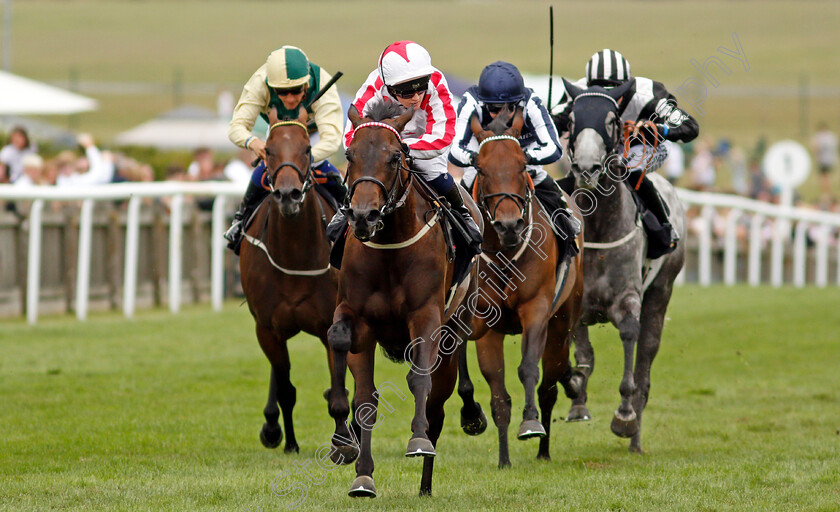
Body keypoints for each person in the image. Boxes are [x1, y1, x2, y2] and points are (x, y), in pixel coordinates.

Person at [337, 40, 481, 255]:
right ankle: (341, 216)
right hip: (380, 150)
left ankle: (463, 216)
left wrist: (400, 149)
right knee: (359, 179)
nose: (415, 97)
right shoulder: (374, 84)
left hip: (425, 147)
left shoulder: (437, 83)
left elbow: (444, 135)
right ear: (389, 87)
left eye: (420, 88)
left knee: (436, 174)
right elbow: (351, 135)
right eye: (405, 92)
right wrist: (379, 151)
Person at [553, 49, 700, 249]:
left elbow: (690, 127)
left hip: (643, 146)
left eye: (614, 91)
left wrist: (658, 129)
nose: (606, 96)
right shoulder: (578, 93)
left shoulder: (648, 93)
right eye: (599, 89)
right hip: (604, 148)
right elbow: (550, 123)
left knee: (626, 172)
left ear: (626, 86)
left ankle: (662, 227)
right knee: (580, 174)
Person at [224, 45, 344, 253]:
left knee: (331, 174)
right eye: (281, 92)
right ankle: (240, 220)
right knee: (260, 173)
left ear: (306, 84)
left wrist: (301, 157)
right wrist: (254, 143)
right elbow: (236, 127)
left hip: (309, 140)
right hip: (277, 139)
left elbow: (332, 139)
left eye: (296, 91)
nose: (290, 98)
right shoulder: (259, 83)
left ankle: (350, 220)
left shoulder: (322, 82)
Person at [448, 61, 579, 251]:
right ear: (483, 103)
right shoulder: (471, 101)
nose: (501, 114)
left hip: (524, 159)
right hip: (484, 160)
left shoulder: (531, 101)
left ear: (518, 102)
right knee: (461, 197)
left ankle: (567, 239)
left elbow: (554, 148)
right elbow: (455, 149)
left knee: (550, 191)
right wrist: (478, 160)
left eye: (510, 108)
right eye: (493, 109)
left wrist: (521, 159)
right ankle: (454, 245)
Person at [811, 122, 838, 196]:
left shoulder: (819, 137)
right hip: (830, 160)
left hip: (822, 160)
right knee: (827, 176)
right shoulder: (832, 136)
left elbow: (815, 148)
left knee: (823, 176)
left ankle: (825, 191)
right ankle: (827, 191)